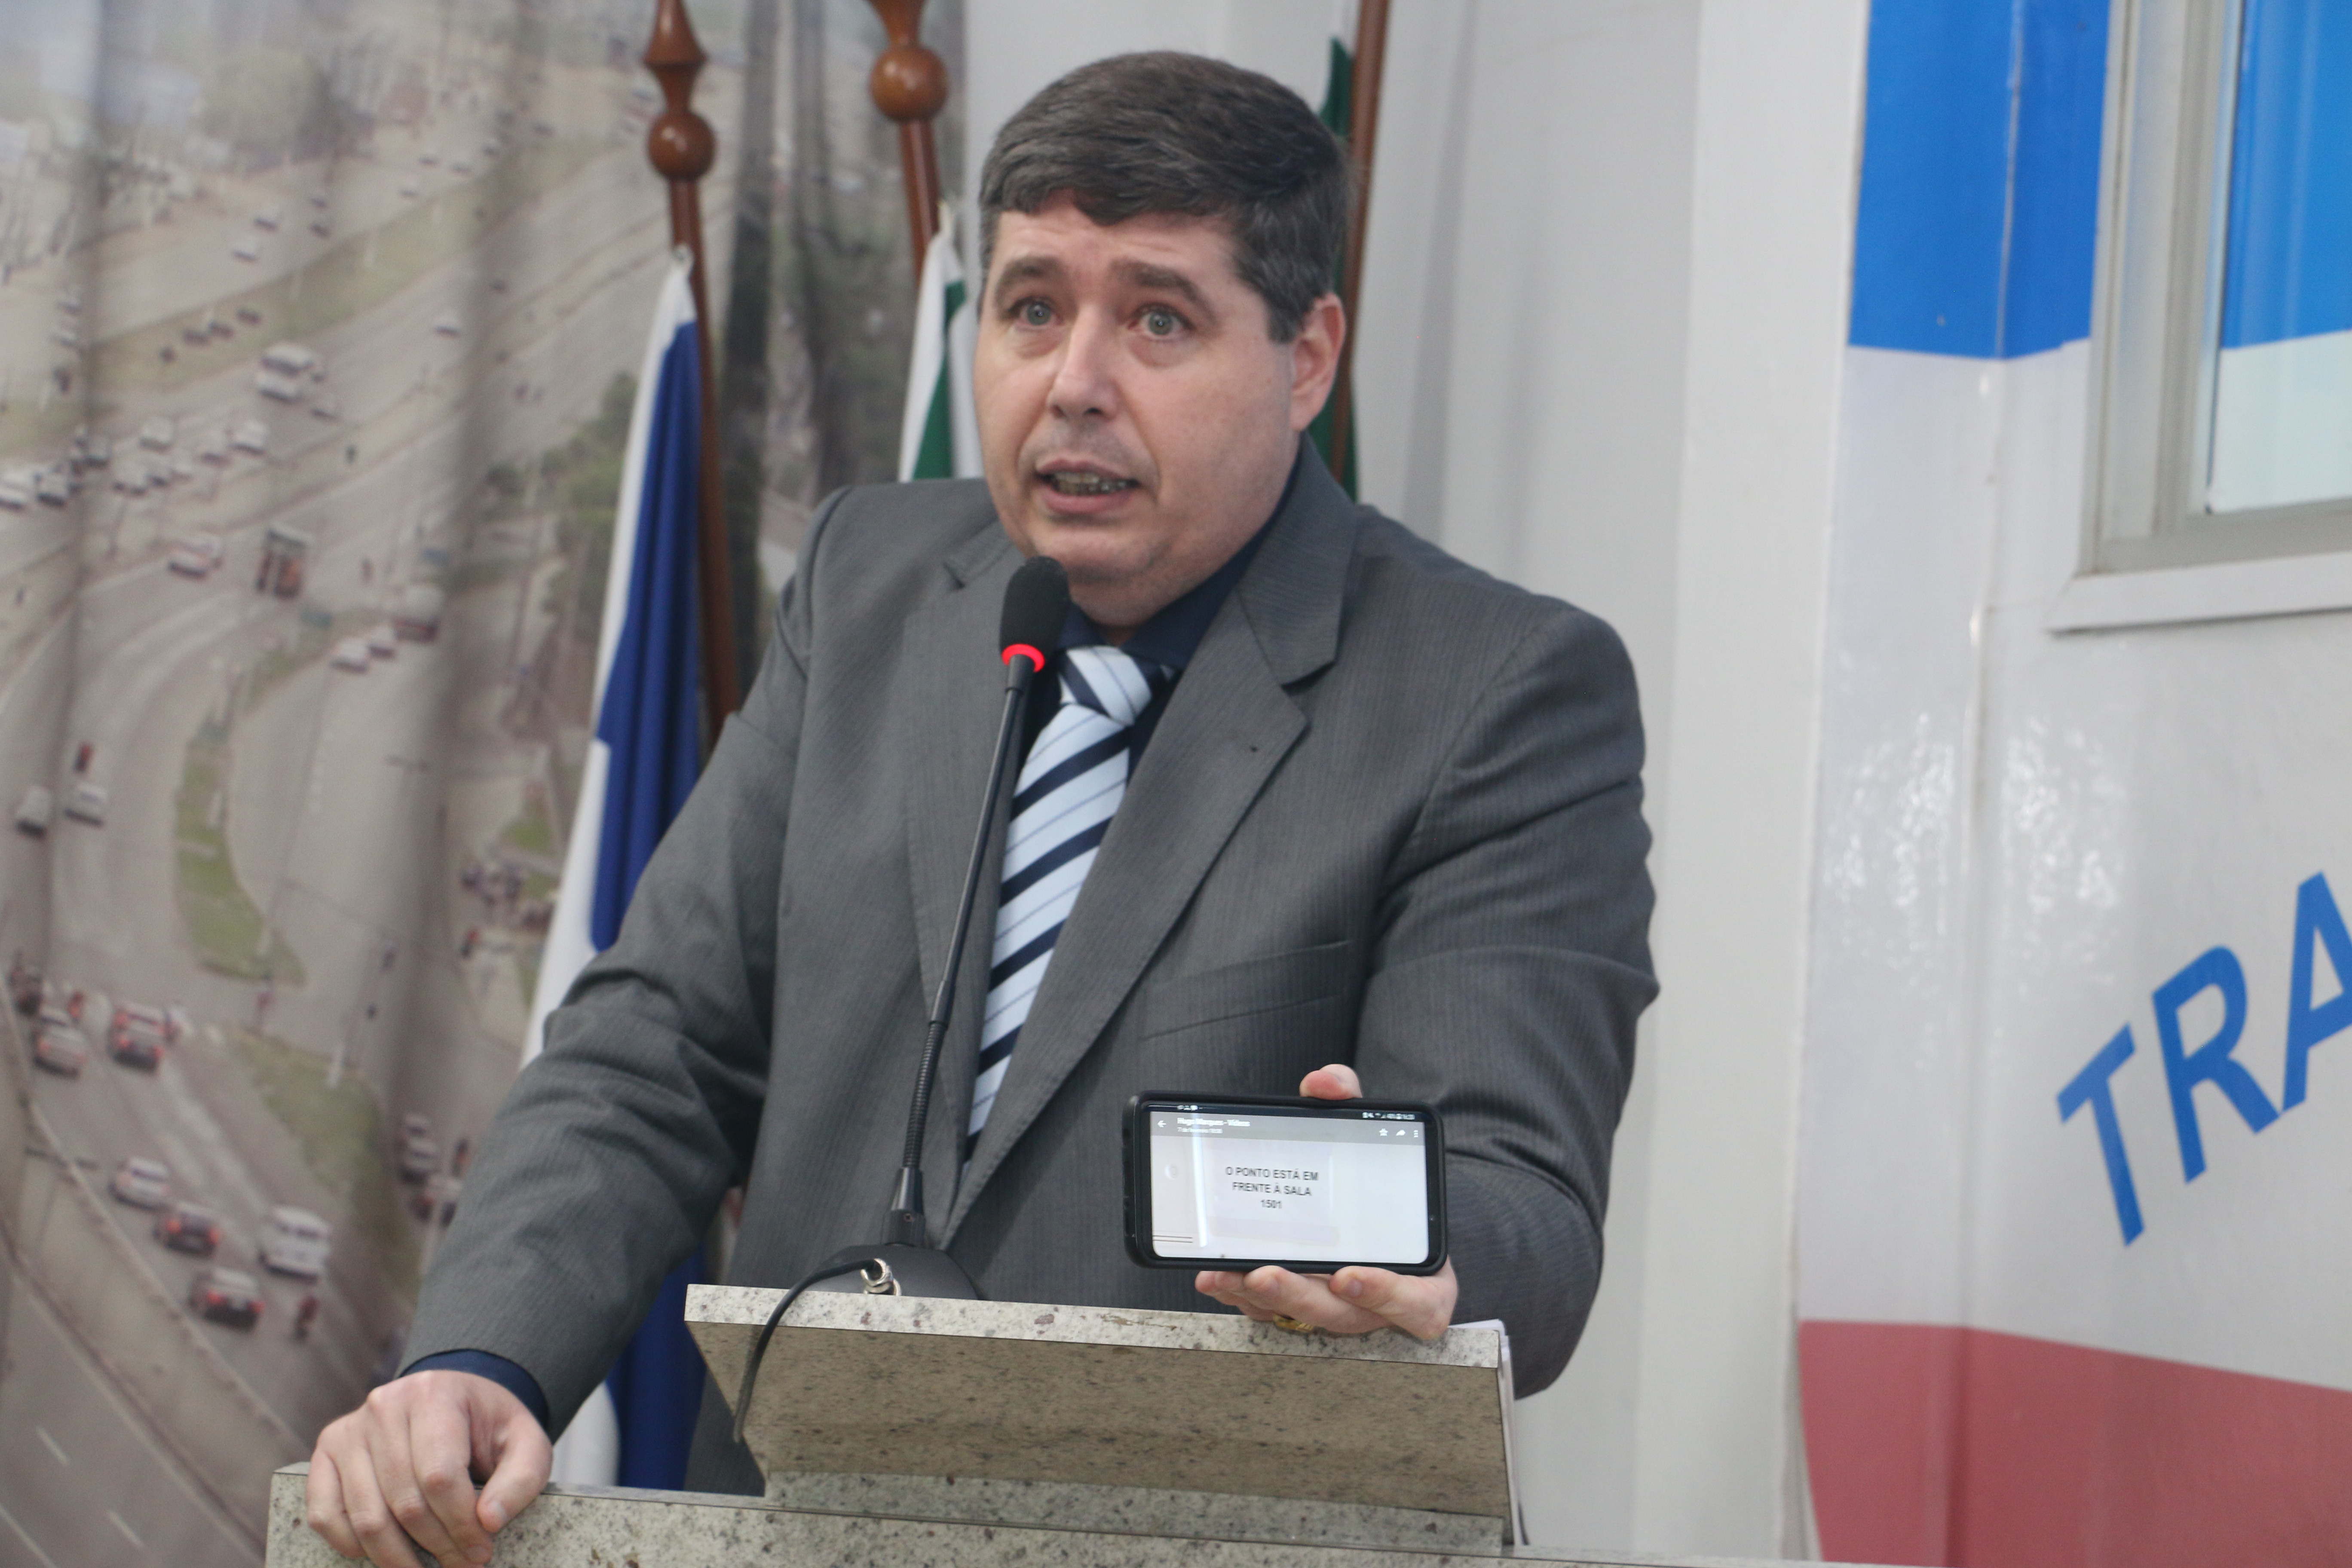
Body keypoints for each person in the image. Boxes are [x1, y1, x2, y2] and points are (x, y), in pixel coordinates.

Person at [305, 51, 1654, 1568]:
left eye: (1158, 318)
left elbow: (1525, 1200)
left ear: (1308, 357)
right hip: (793, 1532)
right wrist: (480, 1356)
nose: (1073, 382)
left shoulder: (1496, 690)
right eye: (1031, 308)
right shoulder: (872, 584)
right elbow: (654, 1048)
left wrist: (1425, 1255)